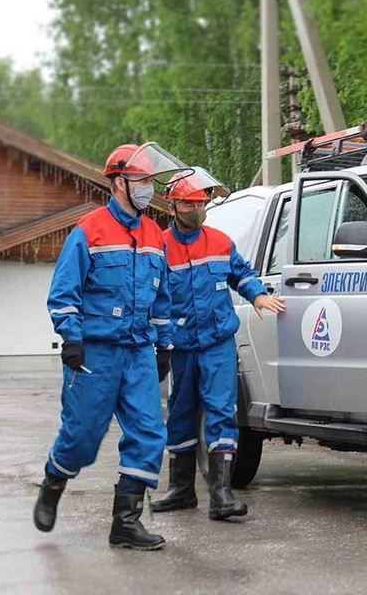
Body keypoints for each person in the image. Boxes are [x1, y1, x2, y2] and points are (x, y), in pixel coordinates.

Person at [34, 143, 183, 550]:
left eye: (152, 180)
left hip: (138, 352)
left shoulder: (155, 234)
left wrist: (165, 346)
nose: (149, 188)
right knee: (83, 437)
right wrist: (72, 339)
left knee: (150, 433)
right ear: (119, 182)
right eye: (142, 181)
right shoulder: (89, 230)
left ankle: (126, 523)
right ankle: (53, 480)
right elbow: (64, 292)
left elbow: (162, 297)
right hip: (95, 354)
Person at [151, 168, 284, 520]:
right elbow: (150, 295)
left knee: (222, 413)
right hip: (180, 348)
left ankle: (222, 495)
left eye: (202, 202)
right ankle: (181, 490)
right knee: (180, 415)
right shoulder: (160, 248)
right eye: (192, 202)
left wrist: (256, 296)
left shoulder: (220, 242)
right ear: (174, 205)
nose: (199, 208)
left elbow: (241, 273)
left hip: (218, 345)